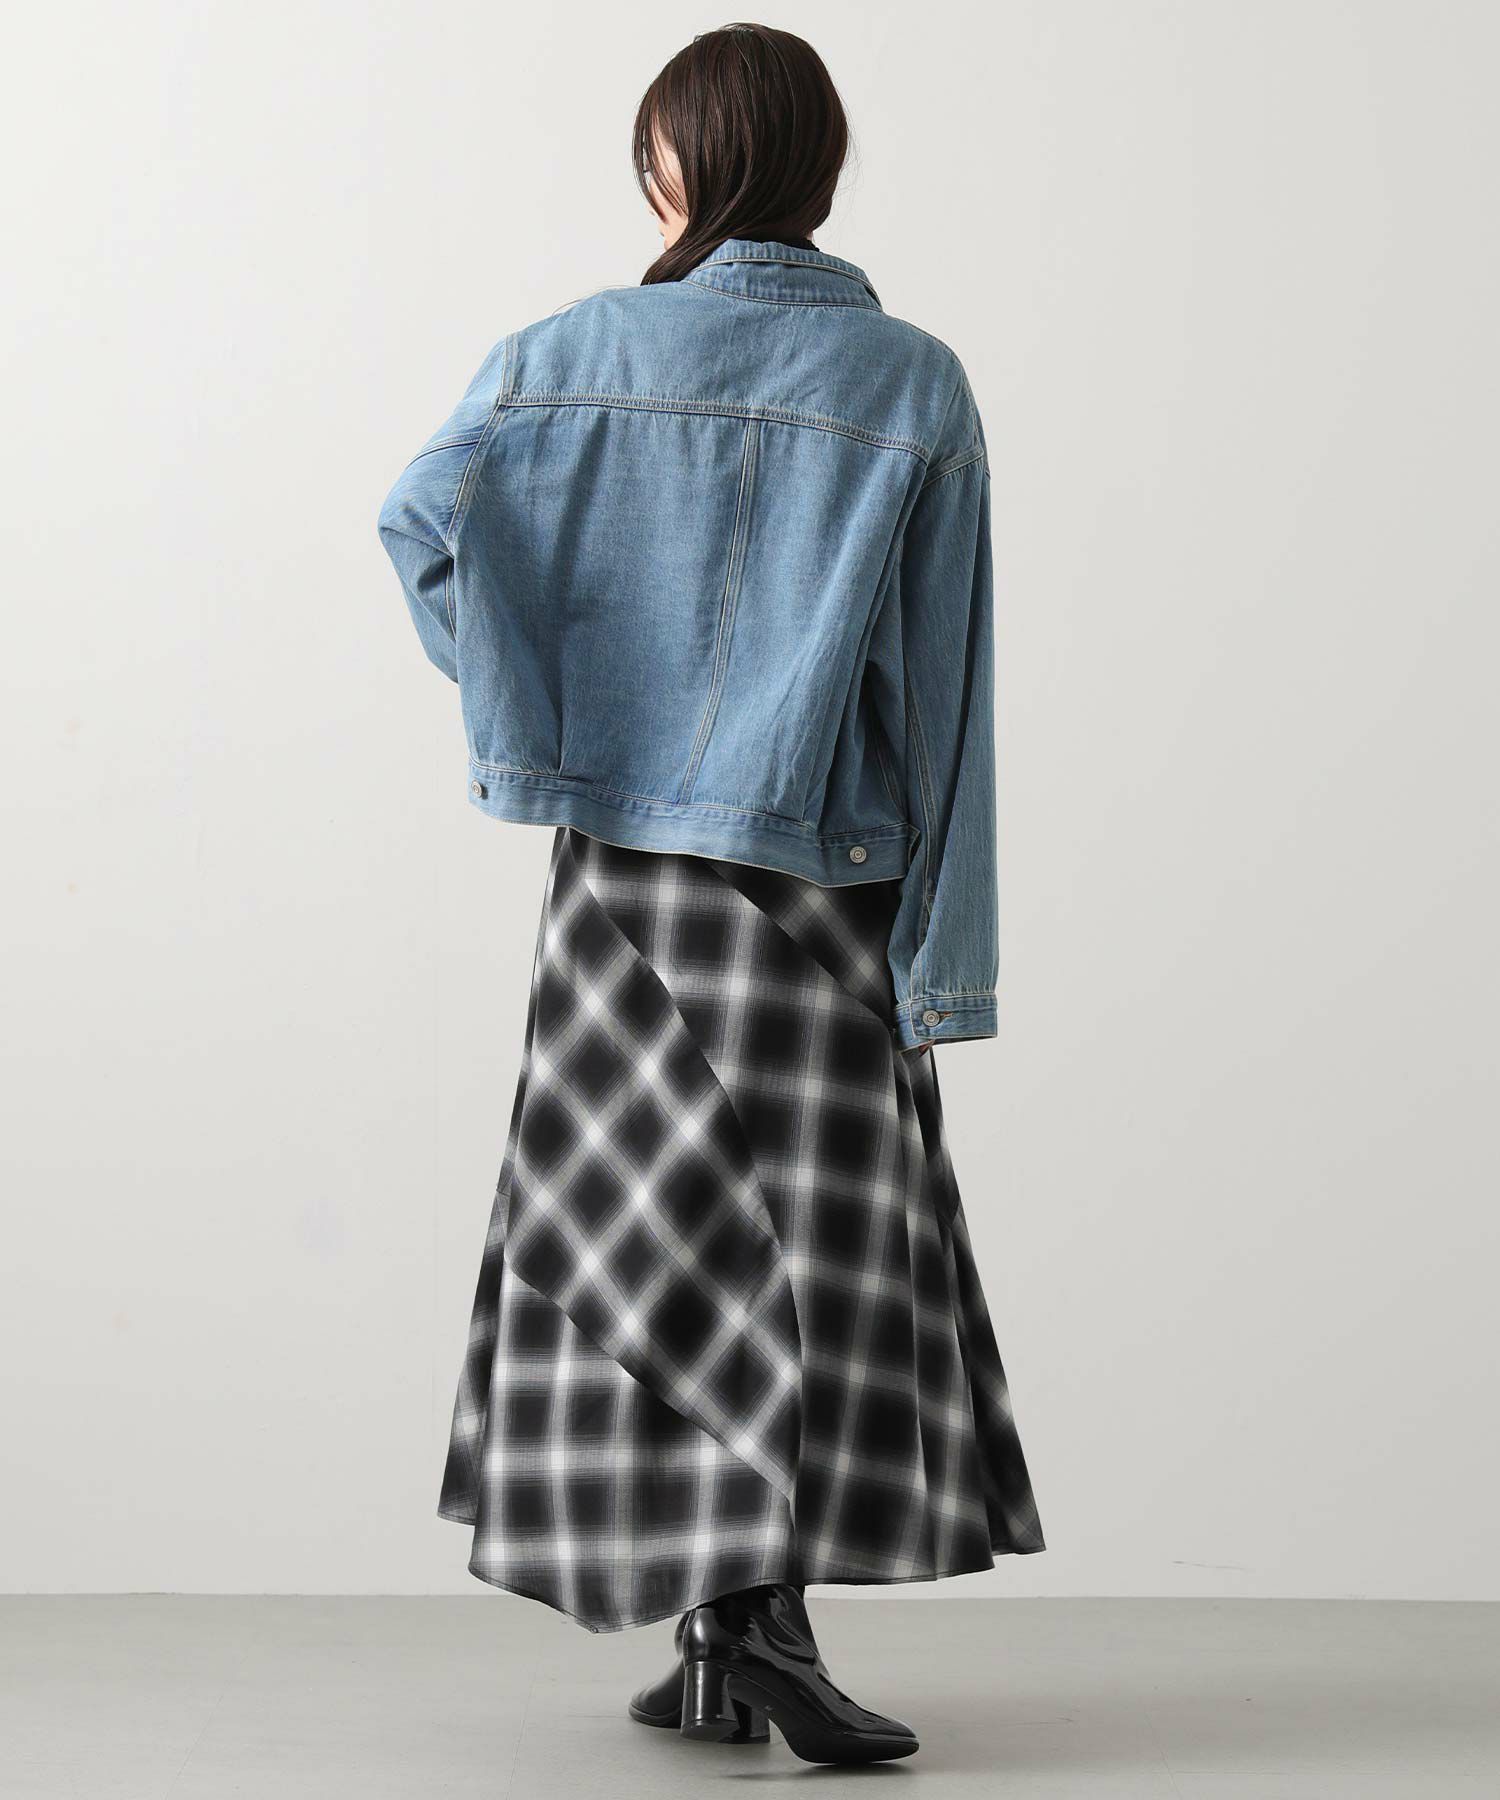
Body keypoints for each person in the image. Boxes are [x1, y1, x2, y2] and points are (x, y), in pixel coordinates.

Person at [377, 21, 1043, 1767]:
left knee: (647, 1239)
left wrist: (547, 718)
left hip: (622, 896)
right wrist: (946, 959)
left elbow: (421, 526)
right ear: (817, 172)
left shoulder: (561, 355)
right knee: (800, 1255)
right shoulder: (913, 384)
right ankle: (747, 1629)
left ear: (670, 166)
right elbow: (947, 698)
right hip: (826, 886)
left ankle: (723, 1630)